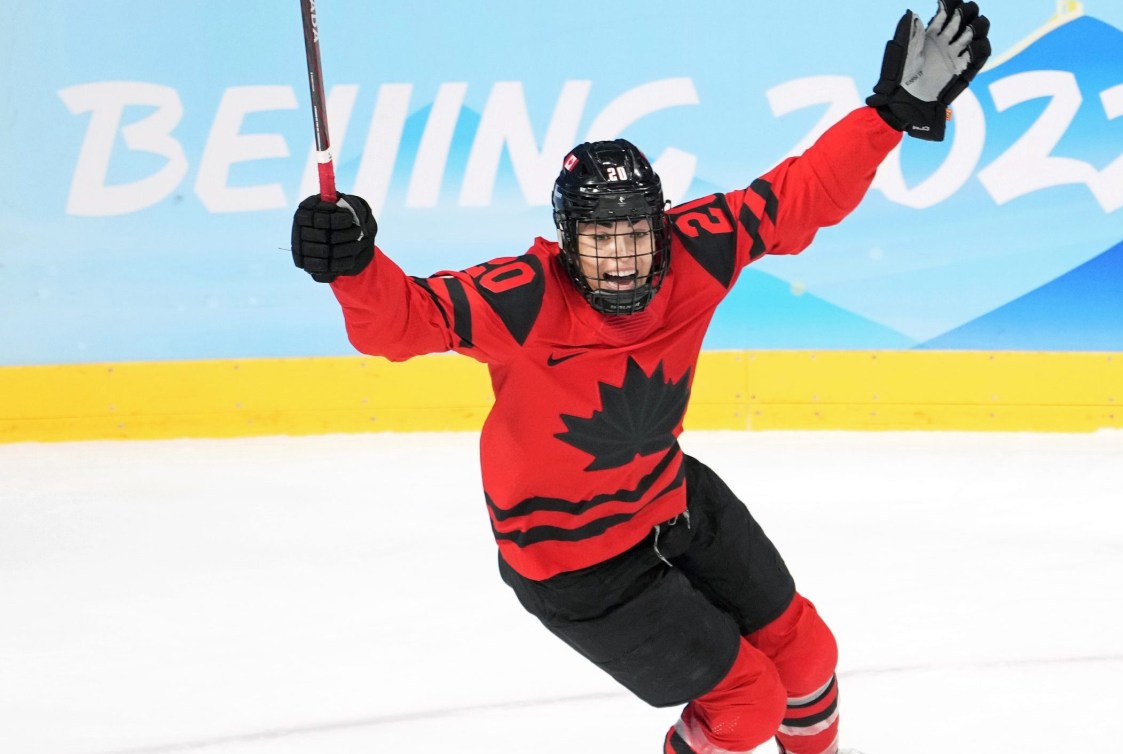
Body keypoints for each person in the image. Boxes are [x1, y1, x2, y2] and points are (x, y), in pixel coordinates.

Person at [290, 2, 989, 752]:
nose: (621, 257)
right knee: (746, 707)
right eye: (599, 238)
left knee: (808, 656)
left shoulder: (699, 249)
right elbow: (400, 323)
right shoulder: (521, 296)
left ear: (661, 226)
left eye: (634, 233)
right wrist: (355, 266)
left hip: (670, 499)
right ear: (566, 242)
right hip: (573, 564)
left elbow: (801, 194)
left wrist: (887, 115)